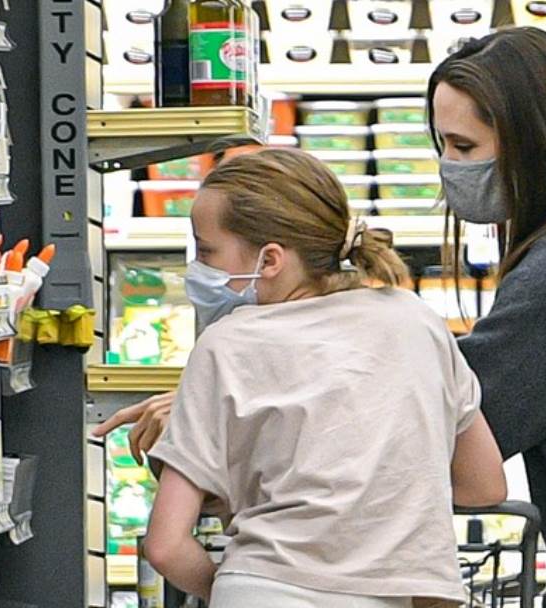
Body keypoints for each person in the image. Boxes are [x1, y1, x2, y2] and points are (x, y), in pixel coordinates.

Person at [98, 26, 546, 608]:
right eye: (440, 145)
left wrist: (222, 408)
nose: (447, 168)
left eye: (463, 148)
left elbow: (420, 424)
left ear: (535, 143)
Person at [136, 148, 506, 607]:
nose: (199, 268)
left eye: (207, 252)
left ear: (270, 260)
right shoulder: (417, 321)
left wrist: (231, 591)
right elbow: (484, 485)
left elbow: (166, 545)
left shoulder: (227, 343)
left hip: (264, 589)